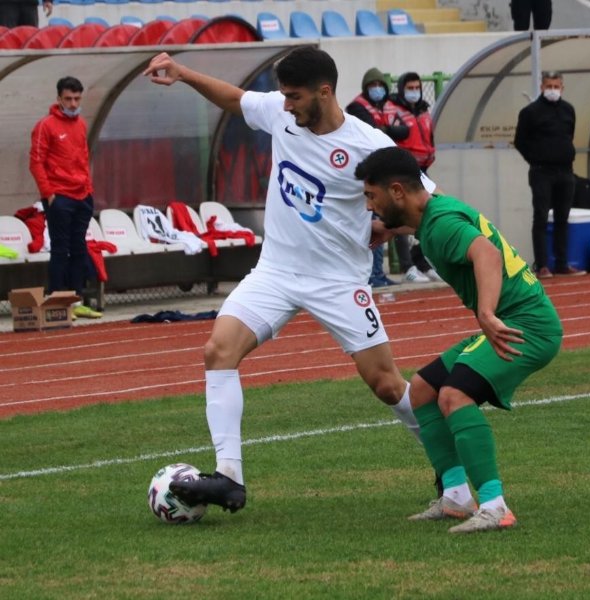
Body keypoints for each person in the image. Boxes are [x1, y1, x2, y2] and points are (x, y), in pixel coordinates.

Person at [144, 47, 438, 513]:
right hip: (276, 271)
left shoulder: (369, 144)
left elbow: (425, 203)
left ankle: (449, 464)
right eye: (282, 95)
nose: (285, 104)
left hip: (338, 280)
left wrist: (387, 228)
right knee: (218, 350)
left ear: (325, 92)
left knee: (386, 384)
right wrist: (181, 73)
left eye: (294, 96)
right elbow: (236, 99)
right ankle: (229, 477)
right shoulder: (283, 116)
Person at [355, 146, 563, 533]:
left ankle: (495, 505)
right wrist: (389, 229)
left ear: (397, 191)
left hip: (527, 327)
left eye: (372, 196)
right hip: (517, 320)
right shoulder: (435, 212)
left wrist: (486, 313)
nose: (370, 206)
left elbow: (486, 254)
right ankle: (455, 496)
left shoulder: (442, 224)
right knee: (421, 389)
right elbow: (423, 225)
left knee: (454, 396)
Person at [30, 76, 102, 319]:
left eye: (77, 99)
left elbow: (83, 158)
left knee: (79, 248)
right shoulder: (45, 126)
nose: (73, 103)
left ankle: (76, 299)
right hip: (59, 197)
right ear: (59, 99)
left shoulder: (81, 124)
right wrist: (48, 194)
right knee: (60, 249)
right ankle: (59, 300)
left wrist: (88, 189)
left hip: (82, 196)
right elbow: (36, 162)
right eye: (68, 99)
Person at [514, 71, 586, 279]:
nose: (552, 90)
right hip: (541, 172)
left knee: (563, 217)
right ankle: (543, 265)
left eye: (556, 86)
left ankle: (562, 263)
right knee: (541, 217)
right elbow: (520, 141)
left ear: (562, 88)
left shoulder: (568, 110)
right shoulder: (530, 112)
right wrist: (536, 158)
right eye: (549, 86)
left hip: (565, 171)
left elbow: (569, 135)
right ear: (542, 87)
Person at [345, 67, 408, 288]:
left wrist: (386, 128)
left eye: (380, 85)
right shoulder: (357, 107)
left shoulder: (388, 105)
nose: (378, 89)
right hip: (370, 175)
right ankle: (372, 275)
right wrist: (389, 129)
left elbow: (405, 131)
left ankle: (378, 273)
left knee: (386, 224)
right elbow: (373, 130)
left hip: (387, 172)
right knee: (373, 224)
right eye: (373, 86)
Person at [390, 72, 441, 284]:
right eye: (409, 88)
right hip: (403, 170)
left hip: (423, 170)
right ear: (402, 89)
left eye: (416, 87)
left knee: (428, 215)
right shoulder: (395, 111)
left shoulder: (424, 111)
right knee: (402, 216)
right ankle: (406, 266)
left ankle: (422, 262)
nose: (414, 92)